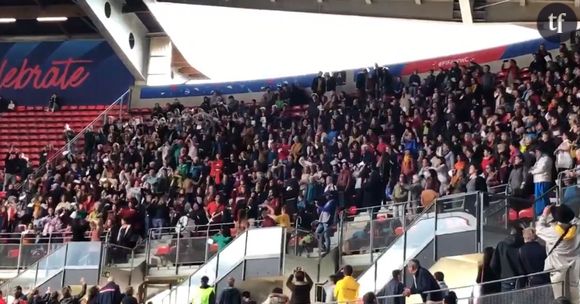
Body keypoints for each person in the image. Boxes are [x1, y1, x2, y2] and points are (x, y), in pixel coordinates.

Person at [536, 204, 579, 303]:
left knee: (561, 298)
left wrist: (544, 215)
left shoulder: (553, 232)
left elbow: (539, 229)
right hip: (575, 267)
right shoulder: (577, 229)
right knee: (576, 295)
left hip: (558, 269)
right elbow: (575, 220)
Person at [490, 227, 525, 291]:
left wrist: (501, 275)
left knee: (506, 300)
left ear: (510, 233)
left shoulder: (501, 245)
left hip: (506, 279)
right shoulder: (523, 245)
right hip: (521, 279)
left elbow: (493, 265)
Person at [529, 146, 554, 216]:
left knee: (543, 197)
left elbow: (542, 169)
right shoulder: (539, 160)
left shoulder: (547, 158)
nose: (536, 153)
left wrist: (533, 172)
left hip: (543, 179)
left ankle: (546, 212)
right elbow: (533, 168)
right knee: (538, 198)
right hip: (537, 180)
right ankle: (539, 212)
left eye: (537, 152)